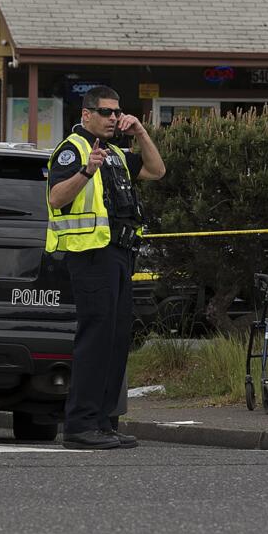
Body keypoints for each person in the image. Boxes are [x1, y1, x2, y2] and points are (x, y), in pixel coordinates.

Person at [46, 86, 165, 449]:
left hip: (120, 253)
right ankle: (80, 426)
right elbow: (55, 197)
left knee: (115, 342)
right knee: (95, 341)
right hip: (91, 255)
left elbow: (156, 170)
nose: (114, 118)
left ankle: (104, 422)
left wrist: (141, 132)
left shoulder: (114, 151)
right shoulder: (73, 149)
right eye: (106, 112)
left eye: (117, 112)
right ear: (87, 114)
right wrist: (85, 171)